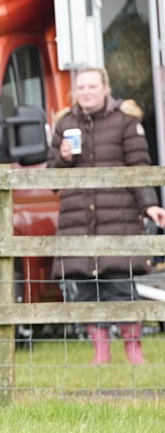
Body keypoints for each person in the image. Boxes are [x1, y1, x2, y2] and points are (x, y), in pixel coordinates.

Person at [48, 67, 165, 365]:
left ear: (105, 88)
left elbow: (139, 168)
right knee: (85, 288)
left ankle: (133, 350)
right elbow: (51, 181)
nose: (86, 92)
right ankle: (100, 353)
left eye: (92, 86)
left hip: (119, 215)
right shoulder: (64, 124)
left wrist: (149, 206)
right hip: (77, 219)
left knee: (120, 284)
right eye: (81, 87)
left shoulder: (125, 123)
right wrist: (62, 159)